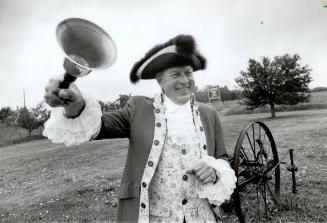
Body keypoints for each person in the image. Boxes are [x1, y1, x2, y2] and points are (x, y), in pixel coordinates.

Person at [43, 34, 236, 223]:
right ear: (160, 80)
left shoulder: (209, 113)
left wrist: (215, 171)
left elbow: (222, 158)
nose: (185, 80)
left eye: (188, 72)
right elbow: (98, 126)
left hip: (202, 217)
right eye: (175, 74)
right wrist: (75, 103)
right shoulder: (138, 108)